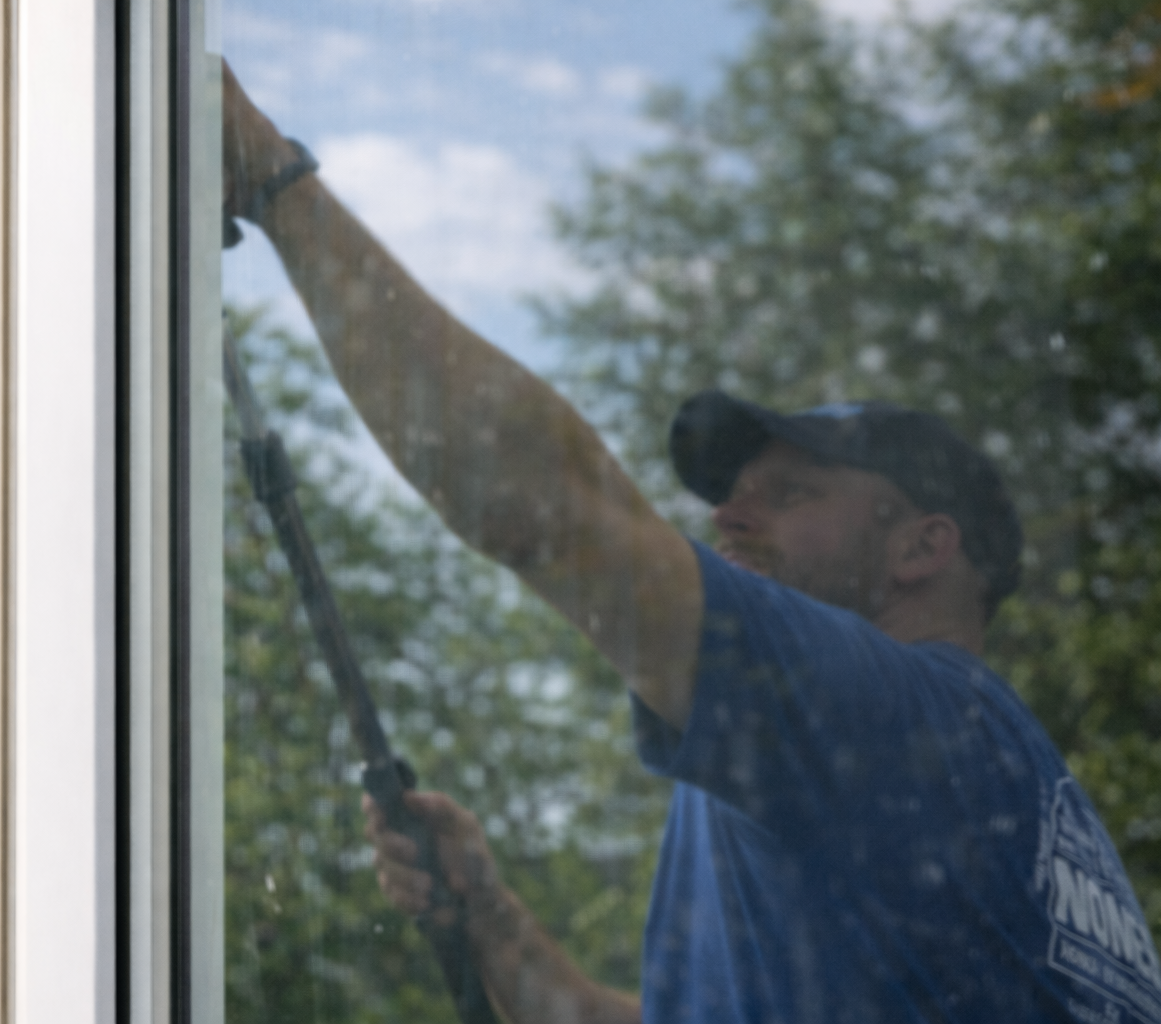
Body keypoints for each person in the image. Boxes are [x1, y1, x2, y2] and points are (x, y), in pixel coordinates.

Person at [222, 62, 1161, 1024]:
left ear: (921, 549)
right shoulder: (906, 792)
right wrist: (492, 915)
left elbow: (546, 509)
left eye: (791, 493)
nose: (727, 518)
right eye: (734, 497)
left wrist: (274, 182)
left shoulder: (912, 726)